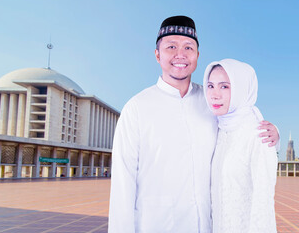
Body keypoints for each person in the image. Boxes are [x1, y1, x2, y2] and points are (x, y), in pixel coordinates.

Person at [108, 16, 279, 233]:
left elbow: (239, 127)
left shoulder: (211, 102)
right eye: (171, 47)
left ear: (197, 55)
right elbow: (123, 185)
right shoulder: (137, 109)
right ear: (157, 54)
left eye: (188, 47)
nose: (180, 54)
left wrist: (274, 136)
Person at [204, 59, 277, 233]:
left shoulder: (260, 135)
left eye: (224, 87)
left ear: (242, 89)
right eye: (210, 86)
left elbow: (263, 206)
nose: (215, 94)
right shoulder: (220, 128)